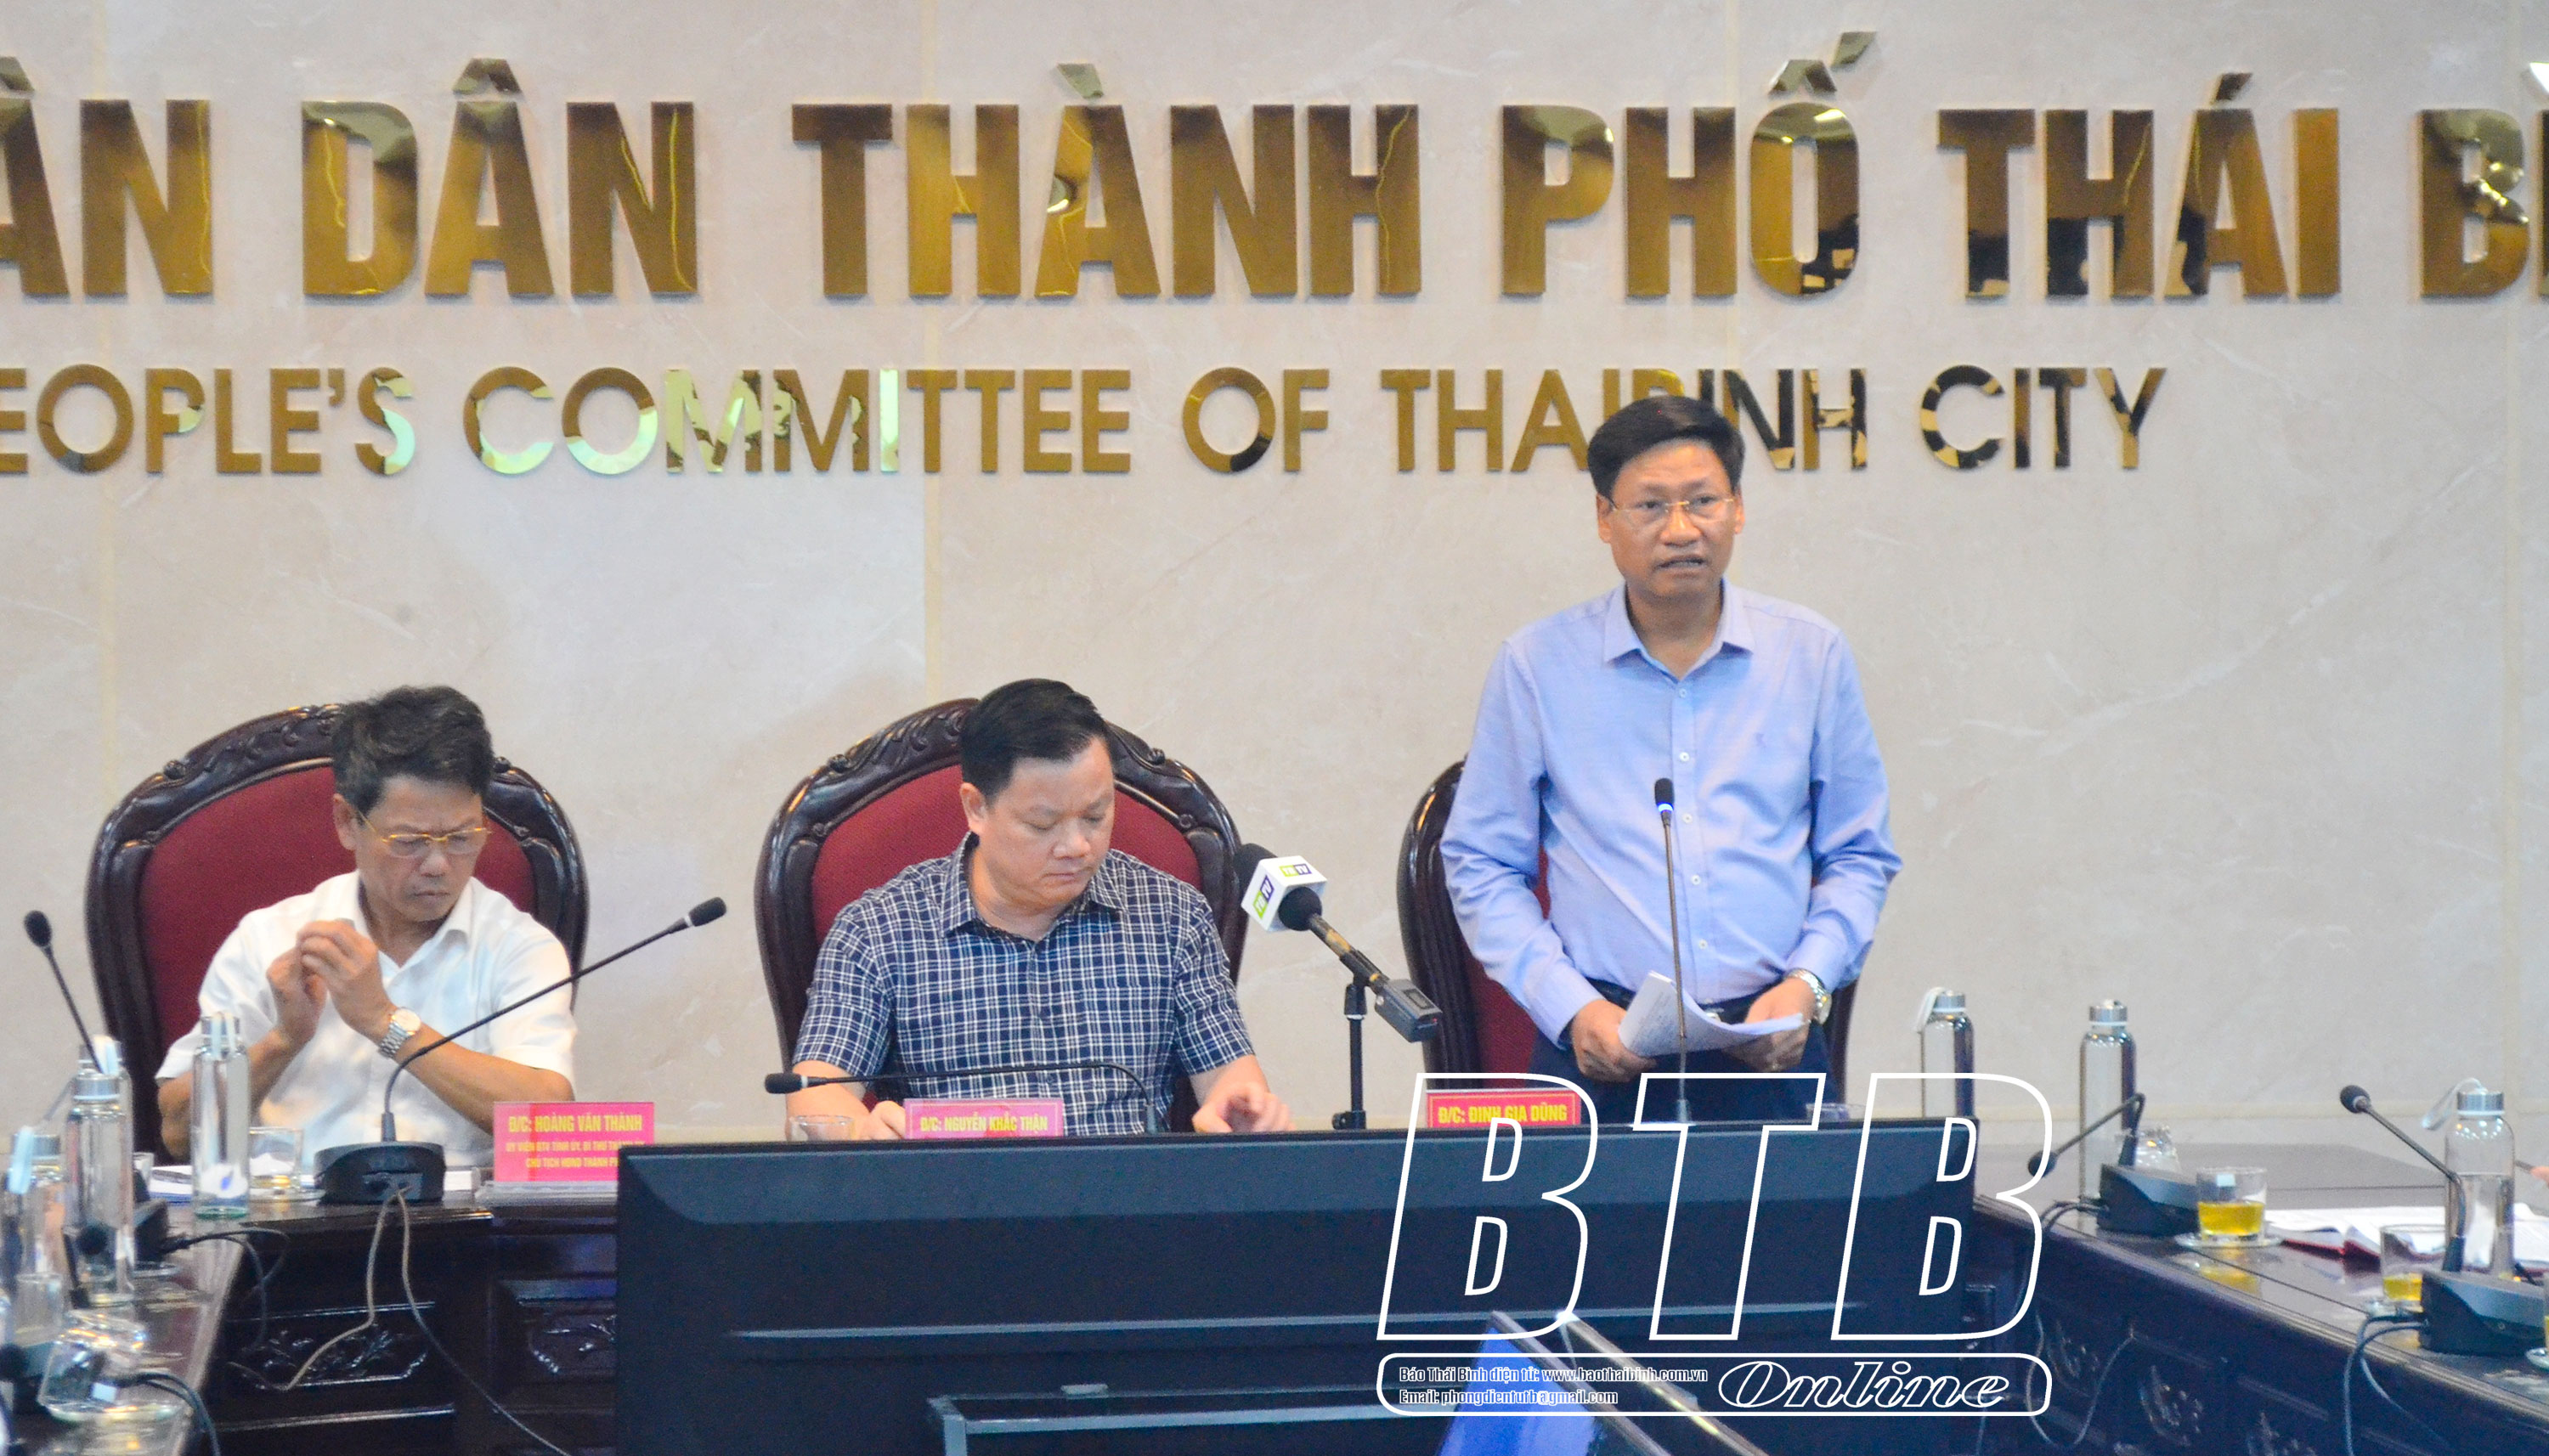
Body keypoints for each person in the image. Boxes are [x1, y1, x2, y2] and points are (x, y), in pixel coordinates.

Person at [1439, 394, 1900, 1124]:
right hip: (1604, 1045)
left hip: (1771, 1041)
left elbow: (1859, 854)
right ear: (1604, 518)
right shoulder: (1537, 665)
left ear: (1738, 509)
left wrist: (1809, 984)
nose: (1681, 530)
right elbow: (1480, 863)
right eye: (1650, 506)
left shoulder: (1810, 655)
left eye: (1702, 501)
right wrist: (1568, 1006)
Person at [786, 679, 1291, 1139]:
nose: (1077, 846)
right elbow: (815, 1094)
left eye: (1095, 815)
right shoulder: (880, 928)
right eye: (1043, 825)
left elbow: (1228, 1075)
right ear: (976, 808)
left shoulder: (1171, 914)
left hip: (1129, 1200)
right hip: (957, 1201)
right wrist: (860, 1134)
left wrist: (1242, 1110)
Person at [157, 686, 574, 1166]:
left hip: (458, 1211)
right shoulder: (269, 938)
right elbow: (178, 1134)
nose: (438, 865)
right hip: (293, 1210)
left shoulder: (519, 947)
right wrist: (282, 1041)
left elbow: (550, 1126)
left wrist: (385, 1022)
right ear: (347, 823)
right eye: (409, 842)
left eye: (462, 837)